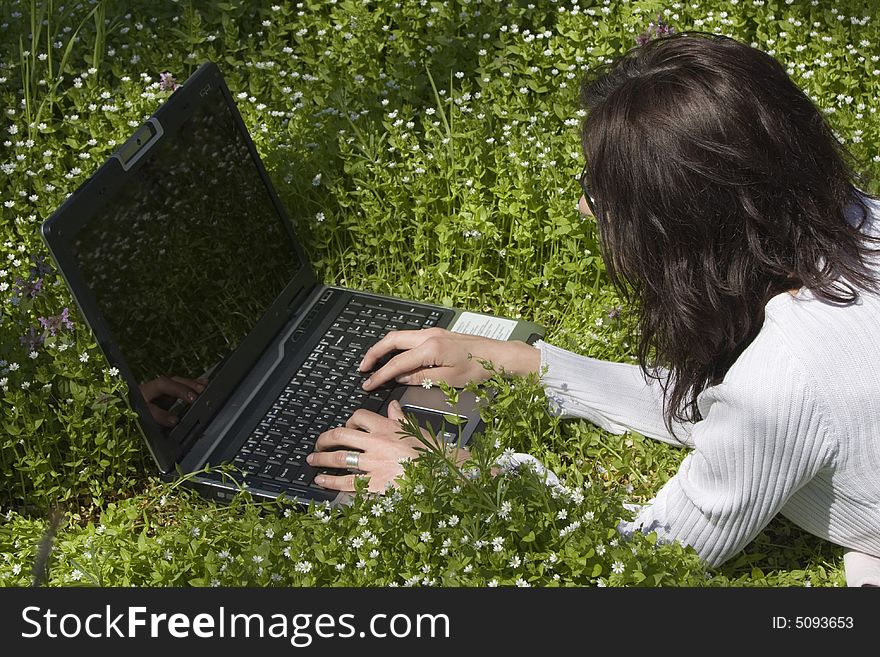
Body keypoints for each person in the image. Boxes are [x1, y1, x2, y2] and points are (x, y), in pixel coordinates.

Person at [305, 32, 880, 579]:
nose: (585, 208)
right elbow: (729, 405)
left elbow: (653, 557)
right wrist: (532, 366)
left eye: (605, 195)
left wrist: (452, 482)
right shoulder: (856, 220)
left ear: (682, 232)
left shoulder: (784, 383)